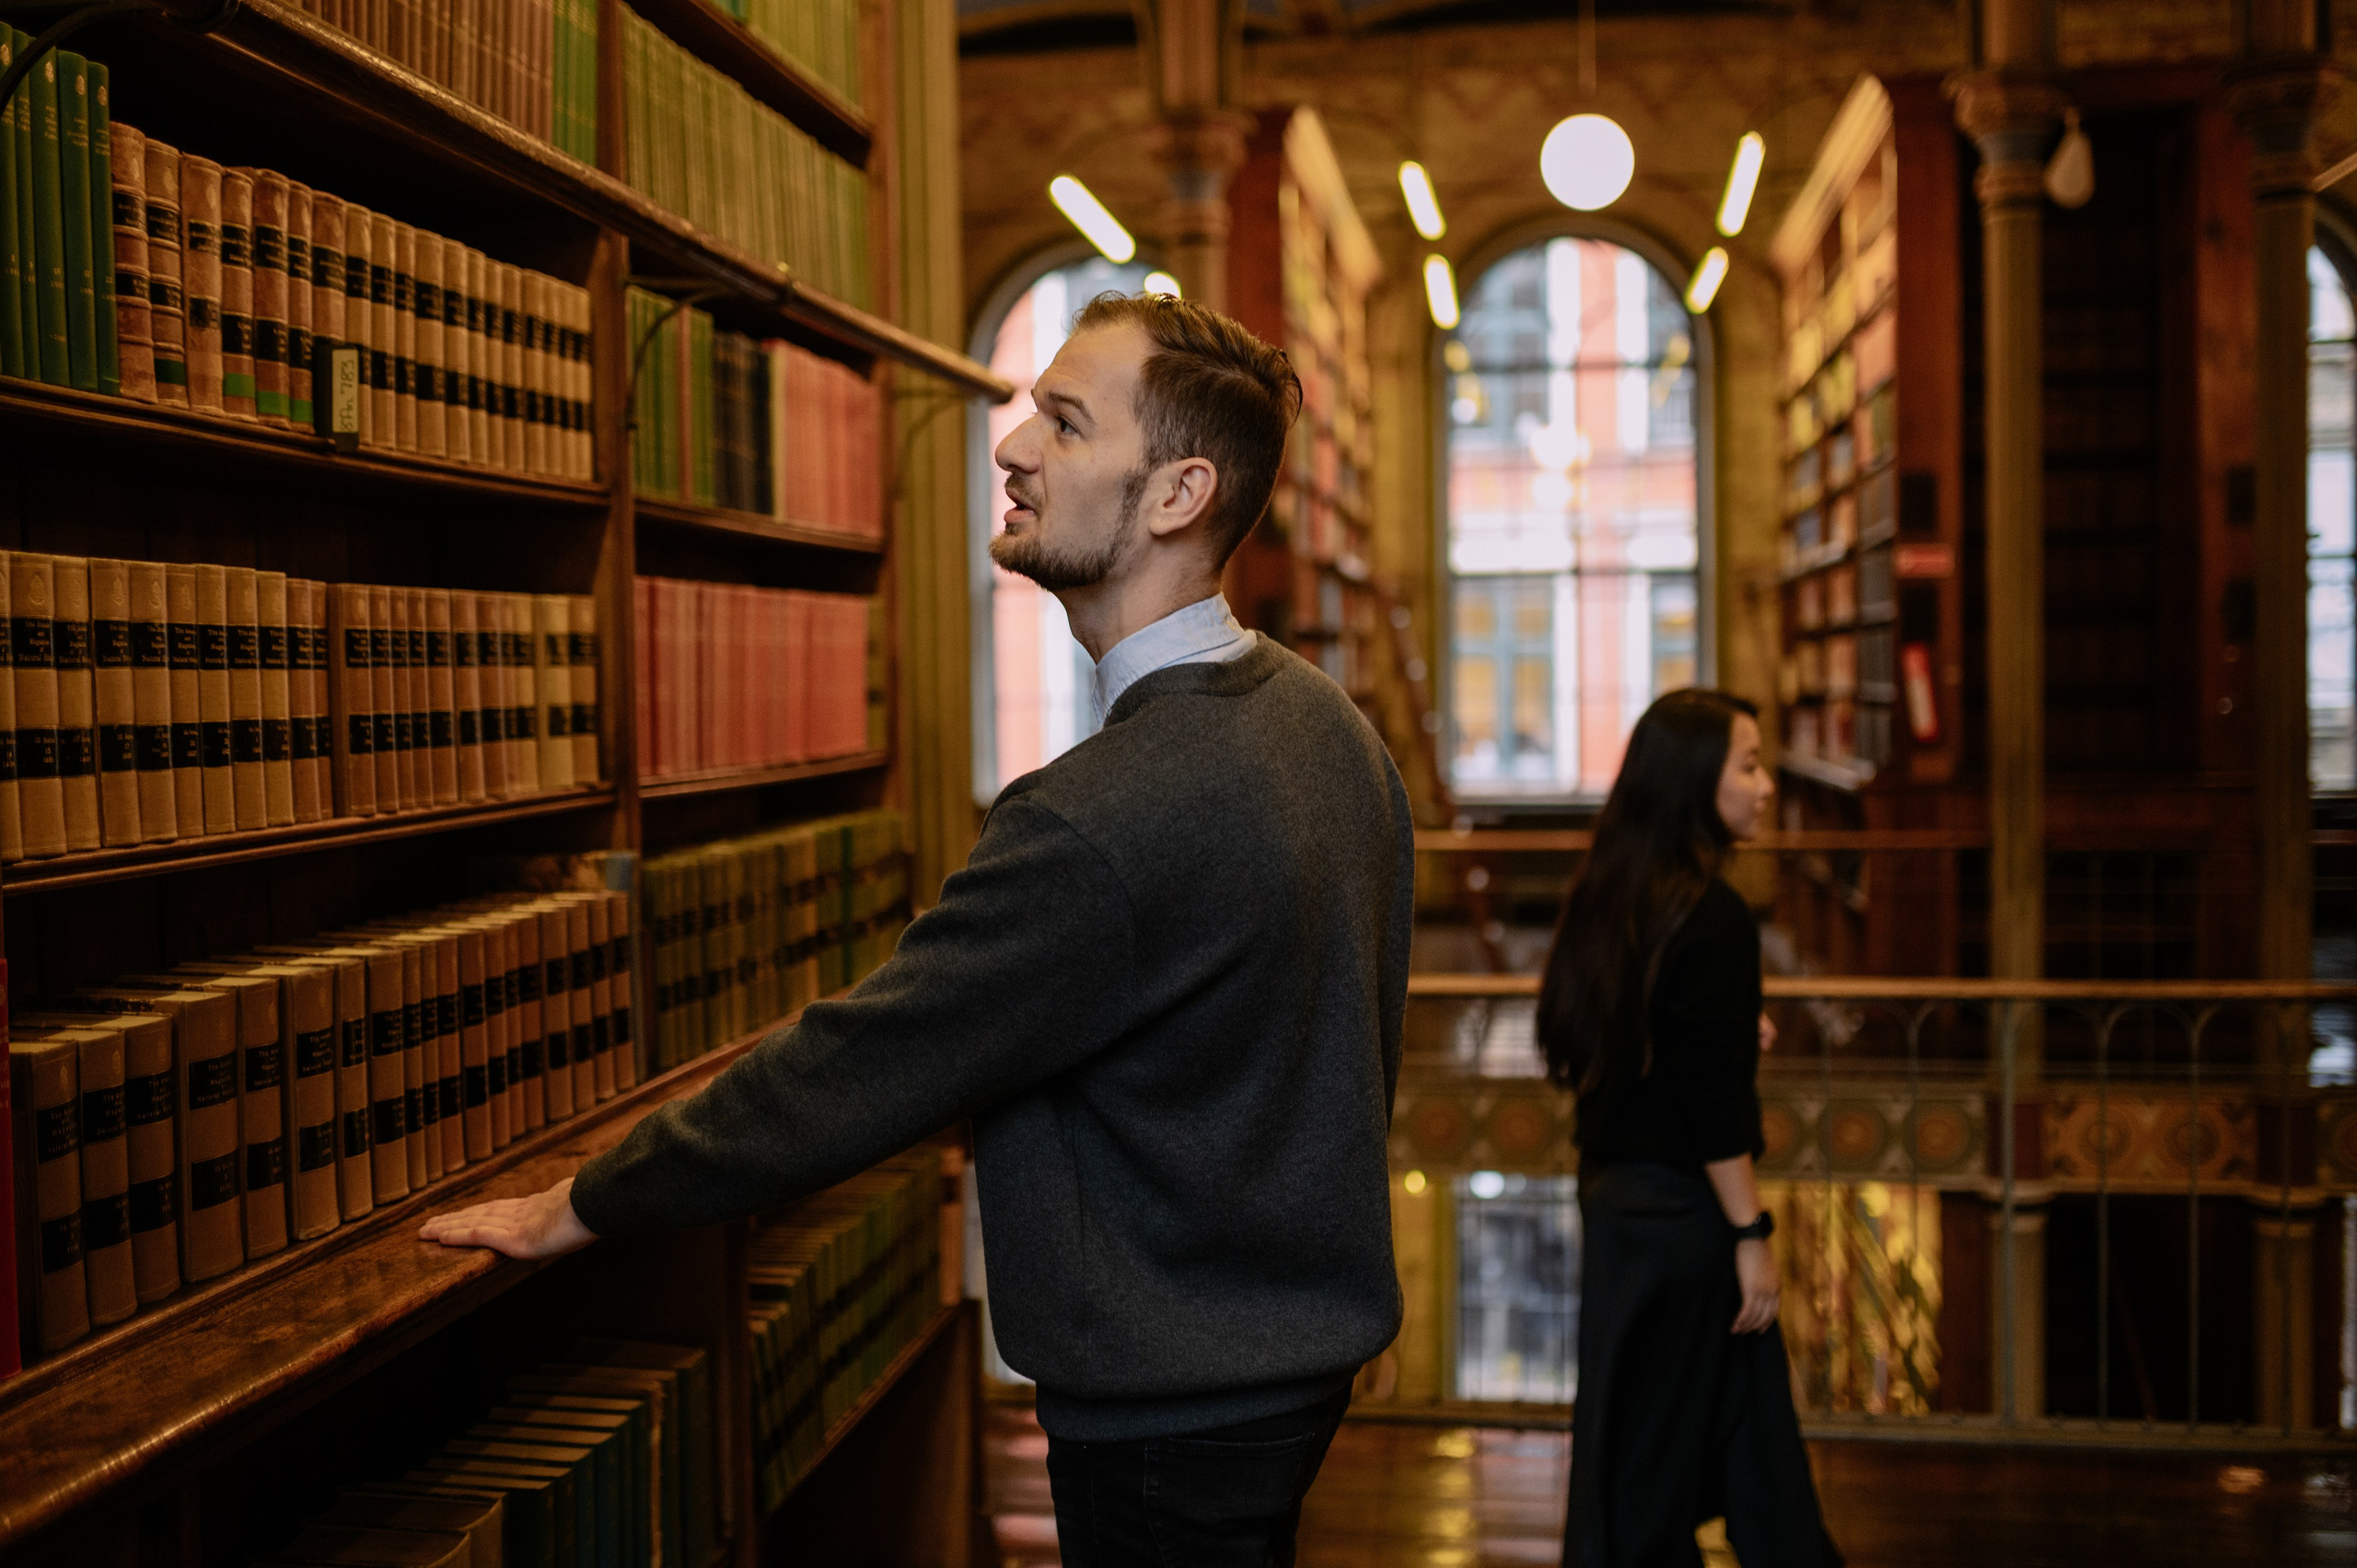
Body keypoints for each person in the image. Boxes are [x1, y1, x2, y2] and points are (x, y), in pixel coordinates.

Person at [421, 293, 1415, 1562]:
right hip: (1285, 1365)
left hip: (1170, 1402)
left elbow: (862, 1060)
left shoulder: (1096, 817)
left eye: (1062, 422)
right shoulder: (1327, 726)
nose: (1008, 448)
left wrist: (588, 1199)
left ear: (1177, 493)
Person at [1538, 690, 1840, 1568]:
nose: (1768, 785)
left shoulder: (1614, 889)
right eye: (1748, 765)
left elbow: (1605, 1031)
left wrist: (1719, 1025)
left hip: (1621, 1208)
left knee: (1652, 1446)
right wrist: (1753, 1231)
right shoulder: (1712, 914)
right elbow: (1712, 1106)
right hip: (1685, 1223)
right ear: (1692, 782)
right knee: (1703, 1461)